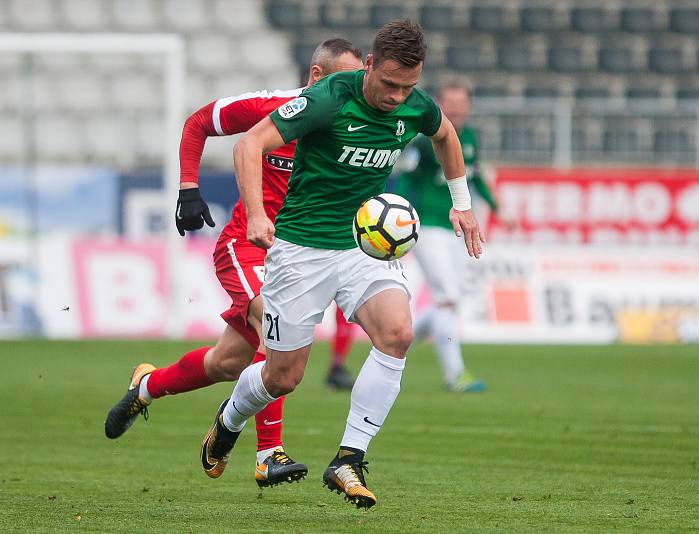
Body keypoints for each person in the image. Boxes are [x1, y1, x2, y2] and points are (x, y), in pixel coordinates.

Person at [199, 20, 485, 509]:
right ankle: (229, 419)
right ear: (369, 65)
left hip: (362, 244)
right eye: (389, 84)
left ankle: (350, 456)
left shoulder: (416, 104)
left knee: (397, 334)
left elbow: (446, 135)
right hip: (302, 247)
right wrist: (257, 214)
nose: (397, 97)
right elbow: (250, 145)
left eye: (407, 87)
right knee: (283, 376)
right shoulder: (328, 98)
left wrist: (461, 202)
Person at [104, 38, 363, 489]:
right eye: (344, 81)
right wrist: (188, 187)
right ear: (317, 78)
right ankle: (268, 454)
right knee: (274, 325)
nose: (352, 92)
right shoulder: (274, 108)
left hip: (296, 256)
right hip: (246, 246)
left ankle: (146, 386)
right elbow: (200, 121)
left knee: (228, 363)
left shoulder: (350, 127)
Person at [395, 77, 504, 392]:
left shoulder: (468, 137)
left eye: (461, 103)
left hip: (457, 229)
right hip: (428, 226)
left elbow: (476, 178)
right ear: (438, 105)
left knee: (448, 301)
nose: (456, 109)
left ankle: (391, 343)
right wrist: (402, 217)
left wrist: (499, 209)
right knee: (447, 298)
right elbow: (406, 179)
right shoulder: (423, 140)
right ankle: (454, 375)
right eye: (449, 103)